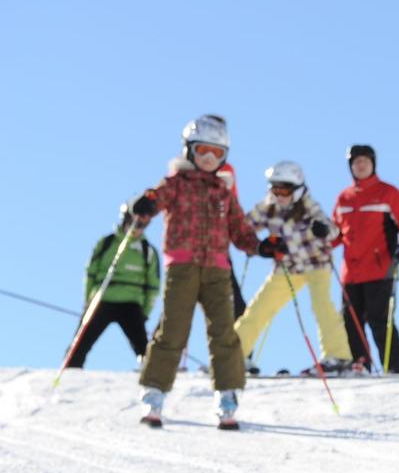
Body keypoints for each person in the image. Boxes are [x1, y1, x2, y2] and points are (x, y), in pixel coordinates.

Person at [130, 115, 284, 429]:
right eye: (203, 151)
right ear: (189, 151)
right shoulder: (175, 183)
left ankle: (227, 398)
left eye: (217, 153)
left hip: (216, 269)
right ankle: (154, 396)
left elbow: (240, 231)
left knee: (224, 333)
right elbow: (157, 198)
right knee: (173, 331)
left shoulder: (223, 192)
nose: (209, 159)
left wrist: (262, 247)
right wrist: (146, 204)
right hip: (183, 266)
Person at [234, 162, 350, 366]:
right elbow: (243, 227)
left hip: (316, 265)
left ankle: (337, 356)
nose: (279, 195)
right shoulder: (268, 207)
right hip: (287, 268)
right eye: (274, 189)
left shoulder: (308, 205)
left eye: (285, 189)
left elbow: (332, 229)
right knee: (259, 308)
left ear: (297, 190)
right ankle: (232, 355)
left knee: (322, 306)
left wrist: (323, 230)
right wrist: (260, 245)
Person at [330, 143, 399, 373]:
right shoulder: (344, 198)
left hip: (380, 267)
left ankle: (395, 369)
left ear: (373, 164)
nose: (360, 166)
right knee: (351, 322)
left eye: (364, 162)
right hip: (351, 270)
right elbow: (336, 234)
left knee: (380, 320)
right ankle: (360, 364)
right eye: (356, 162)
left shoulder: (388, 193)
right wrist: (322, 237)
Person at [72, 198, 161, 368]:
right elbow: (90, 272)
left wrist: (145, 311)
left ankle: (150, 375)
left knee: (143, 346)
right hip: (103, 299)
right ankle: (70, 373)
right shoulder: (106, 243)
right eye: (134, 223)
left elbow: (153, 286)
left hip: (131, 304)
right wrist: (88, 300)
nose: (137, 229)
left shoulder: (147, 250)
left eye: (142, 225)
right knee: (81, 343)